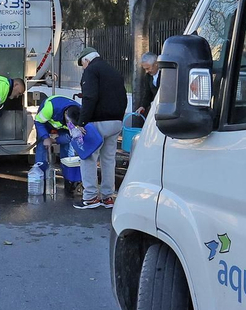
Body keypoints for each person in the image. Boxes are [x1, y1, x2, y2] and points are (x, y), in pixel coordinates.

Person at [74, 49, 127, 209]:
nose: (83, 68)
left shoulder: (91, 70)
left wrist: (81, 123)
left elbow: (90, 97)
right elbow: (123, 96)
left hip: (98, 122)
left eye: (82, 65)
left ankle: (90, 197)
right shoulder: (113, 70)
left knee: (88, 158)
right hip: (116, 122)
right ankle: (107, 197)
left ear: (86, 60)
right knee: (108, 159)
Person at [33, 95, 82, 192]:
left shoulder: (79, 113)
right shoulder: (49, 108)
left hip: (64, 128)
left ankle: (69, 180)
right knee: (42, 146)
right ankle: (41, 179)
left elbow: (72, 136)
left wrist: (55, 140)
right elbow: (39, 122)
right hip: (45, 122)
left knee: (68, 148)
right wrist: (45, 138)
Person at [132, 53, 160, 120]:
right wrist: (143, 106)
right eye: (145, 69)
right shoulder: (148, 76)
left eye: (148, 68)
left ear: (156, 64)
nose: (147, 71)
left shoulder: (165, 74)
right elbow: (147, 93)